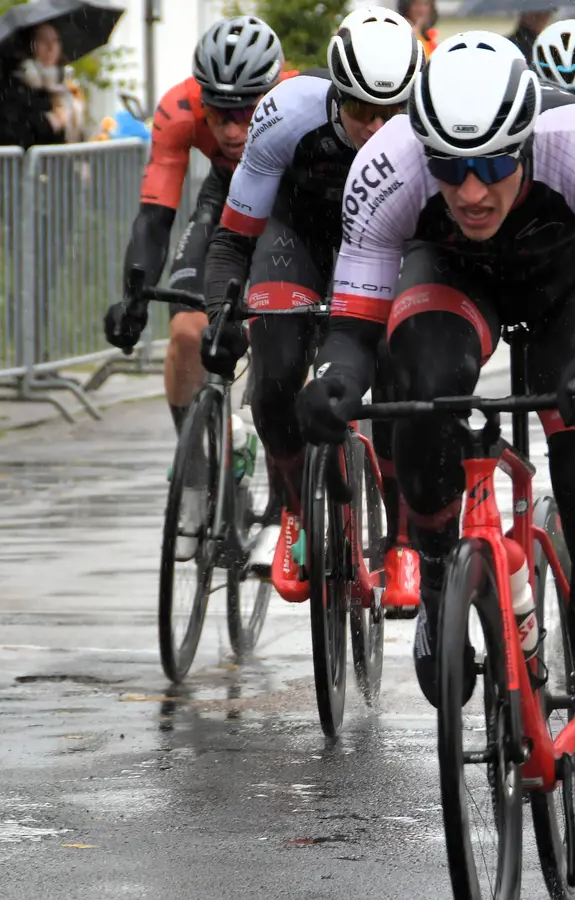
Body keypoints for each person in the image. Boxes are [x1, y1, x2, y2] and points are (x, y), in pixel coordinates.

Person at [296, 33, 575, 876]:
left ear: (528, 142)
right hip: (453, 278)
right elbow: (353, 331)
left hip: (573, 290)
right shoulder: (389, 167)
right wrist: (332, 379)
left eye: (493, 165)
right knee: (422, 385)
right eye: (450, 167)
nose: (469, 190)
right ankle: (440, 569)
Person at [197, 9, 423, 587]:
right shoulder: (287, 113)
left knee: (398, 368)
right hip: (299, 235)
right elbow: (232, 239)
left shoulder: (428, 127)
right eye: (361, 111)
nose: (376, 127)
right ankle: (296, 511)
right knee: (274, 374)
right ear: (335, 94)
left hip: (386, 240)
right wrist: (221, 314)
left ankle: (401, 541)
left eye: (390, 112)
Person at [102, 16, 286, 561]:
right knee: (186, 332)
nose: (231, 129)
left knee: (281, 344)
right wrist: (134, 294)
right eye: (219, 112)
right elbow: (155, 216)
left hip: (289, 204)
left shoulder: (299, 106)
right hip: (225, 198)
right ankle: (196, 476)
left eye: (246, 112)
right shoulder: (179, 108)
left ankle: (285, 506)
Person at [0, 22, 88, 149]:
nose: (51, 47)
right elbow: (7, 137)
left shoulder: (64, 87)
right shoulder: (11, 88)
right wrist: (50, 122)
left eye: (56, 40)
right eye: (43, 40)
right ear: (30, 46)